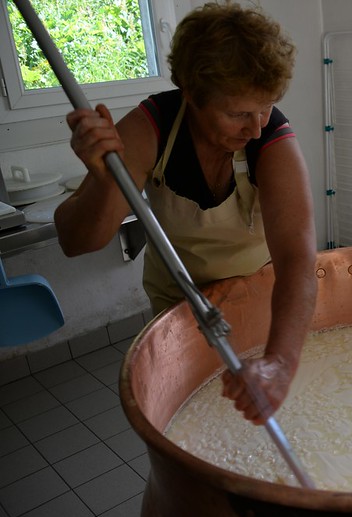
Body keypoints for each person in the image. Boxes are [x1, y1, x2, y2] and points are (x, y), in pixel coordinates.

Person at [54, 2, 318, 425]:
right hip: (180, 303)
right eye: (238, 114)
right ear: (192, 95)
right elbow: (77, 242)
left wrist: (280, 364)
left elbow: (298, 259)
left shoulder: (271, 139)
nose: (255, 127)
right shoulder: (150, 128)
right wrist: (104, 180)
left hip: (259, 297)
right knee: (197, 417)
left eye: (266, 107)